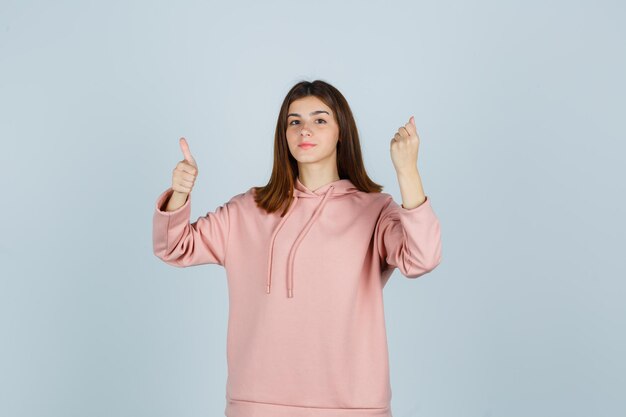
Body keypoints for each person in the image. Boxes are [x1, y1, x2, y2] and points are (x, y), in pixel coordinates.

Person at [152, 79, 442, 417]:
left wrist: (408, 173)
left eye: (320, 120)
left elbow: (422, 257)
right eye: (295, 122)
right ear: (284, 135)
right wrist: (180, 193)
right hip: (257, 405)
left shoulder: (375, 211)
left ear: (341, 132)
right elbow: (173, 246)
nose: (305, 130)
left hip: (353, 406)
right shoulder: (248, 209)